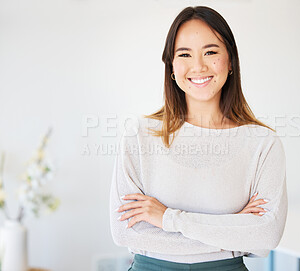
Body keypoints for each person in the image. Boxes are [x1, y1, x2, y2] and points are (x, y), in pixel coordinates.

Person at [109, 6, 287, 271]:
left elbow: (266, 235)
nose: (198, 66)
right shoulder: (140, 135)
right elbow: (125, 232)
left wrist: (168, 219)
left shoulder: (262, 143)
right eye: (184, 54)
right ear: (171, 66)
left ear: (230, 62)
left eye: (211, 52)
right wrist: (233, 231)